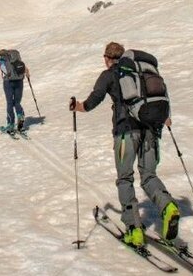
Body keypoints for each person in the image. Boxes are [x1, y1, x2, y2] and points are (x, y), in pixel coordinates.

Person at [70, 42, 180, 248]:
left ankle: (134, 230)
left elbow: (93, 101)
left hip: (125, 133)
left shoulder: (109, 75)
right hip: (150, 130)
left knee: (125, 178)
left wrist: (77, 107)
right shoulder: (139, 74)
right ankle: (168, 206)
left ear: (106, 58)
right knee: (149, 176)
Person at [0, 49, 30, 133]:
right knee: (17, 102)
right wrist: (27, 76)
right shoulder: (16, 59)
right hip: (19, 81)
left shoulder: (0, 62)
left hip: (8, 83)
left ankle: (10, 123)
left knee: (10, 103)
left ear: (1, 55)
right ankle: (20, 115)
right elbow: (26, 70)